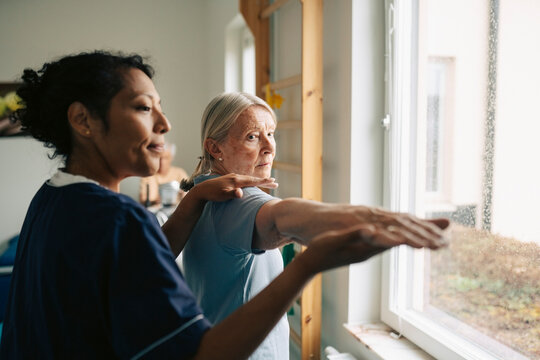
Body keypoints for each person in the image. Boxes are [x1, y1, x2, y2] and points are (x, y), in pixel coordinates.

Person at [0, 51, 449, 360]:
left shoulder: (54, 198)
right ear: (83, 121)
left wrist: (193, 198)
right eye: (142, 107)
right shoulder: (122, 217)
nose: (164, 123)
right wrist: (309, 266)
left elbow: (136, 257)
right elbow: (202, 353)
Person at [180, 92, 451, 359]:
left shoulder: (199, 195)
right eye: (252, 136)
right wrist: (374, 217)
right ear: (215, 148)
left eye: (271, 134)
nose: (269, 147)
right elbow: (281, 218)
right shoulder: (234, 200)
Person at [139, 141, 189, 206]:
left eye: (165, 158)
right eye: (159, 158)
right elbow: (144, 200)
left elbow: (189, 196)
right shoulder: (148, 175)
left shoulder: (180, 173)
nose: (162, 162)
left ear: (172, 158)